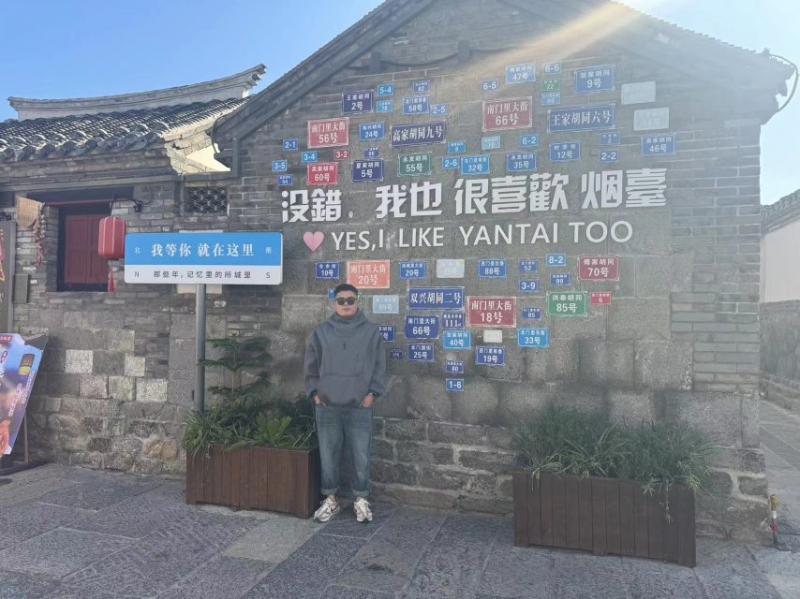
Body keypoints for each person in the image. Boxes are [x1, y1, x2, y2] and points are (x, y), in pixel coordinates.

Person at [304, 283, 386, 523]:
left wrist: (372, 394)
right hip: (327, 405)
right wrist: (314, 394)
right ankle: (330, 499)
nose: (346, 305)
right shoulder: (321, 332)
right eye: (341, 301)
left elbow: (380, 365)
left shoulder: (371, 332)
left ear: (358, 302)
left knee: (361, 455)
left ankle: (361, 499)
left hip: (359, 405)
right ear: (334, 303)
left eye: (351, 300)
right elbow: (310, 365)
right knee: (328, 455)